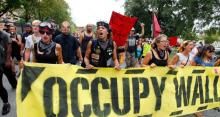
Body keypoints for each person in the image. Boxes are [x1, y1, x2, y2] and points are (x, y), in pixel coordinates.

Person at [0, 20, 17, 115]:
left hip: (4, 62)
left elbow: (9, 48)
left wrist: (8, 60)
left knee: (11, 77)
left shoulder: (4, 35)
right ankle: (6, 103)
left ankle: (15, 84)